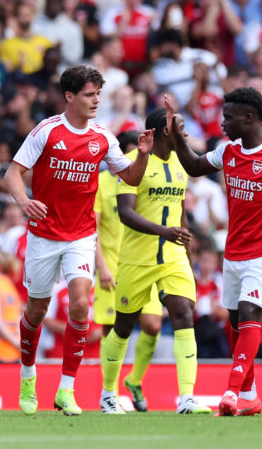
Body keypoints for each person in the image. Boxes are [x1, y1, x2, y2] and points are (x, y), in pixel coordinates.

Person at [4, 65, 152, 416]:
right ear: (69, 97)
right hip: (43, 235)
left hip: (81, 235)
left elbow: (129, 177)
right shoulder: (47, 132)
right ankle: (28, 376)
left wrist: (143, 154)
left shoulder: (103, 137)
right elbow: (13, 174)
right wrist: (24, 201)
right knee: (36, 311)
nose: (96, 101)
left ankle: (66, 390)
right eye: (89, 94)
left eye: (98, 94)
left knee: (82, 305)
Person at [167, 88, 262, 416]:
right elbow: (192, 166)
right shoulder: (228, 151)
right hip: (233, 253)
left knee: (250, 312)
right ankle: (250, 396)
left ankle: (231, 393)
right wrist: (177, 136)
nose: (222, 123)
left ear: (249, 118)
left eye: (228, 117)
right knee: (236, 323)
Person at [100, 109, 206, 415]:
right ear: (163, 131)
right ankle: (108, 394)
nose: (185, 134)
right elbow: (125, 213)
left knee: (183, 313)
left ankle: (187, 398)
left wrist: (189, 257)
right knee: (122, 327)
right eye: (181, 128)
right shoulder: (136, 163)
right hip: (137, 258)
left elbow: (181, 210)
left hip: (173, 256)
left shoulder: (182, 163)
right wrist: (164, 231)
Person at [93, 130, 162, 412]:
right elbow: (92, 228)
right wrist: (101, 267)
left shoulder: (151, 179)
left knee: (152, 325)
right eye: (133, 154)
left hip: (144, 263)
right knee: (112, 332)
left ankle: (134, 380)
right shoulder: (102, 183)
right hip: (111, 266)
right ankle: (109, 392)